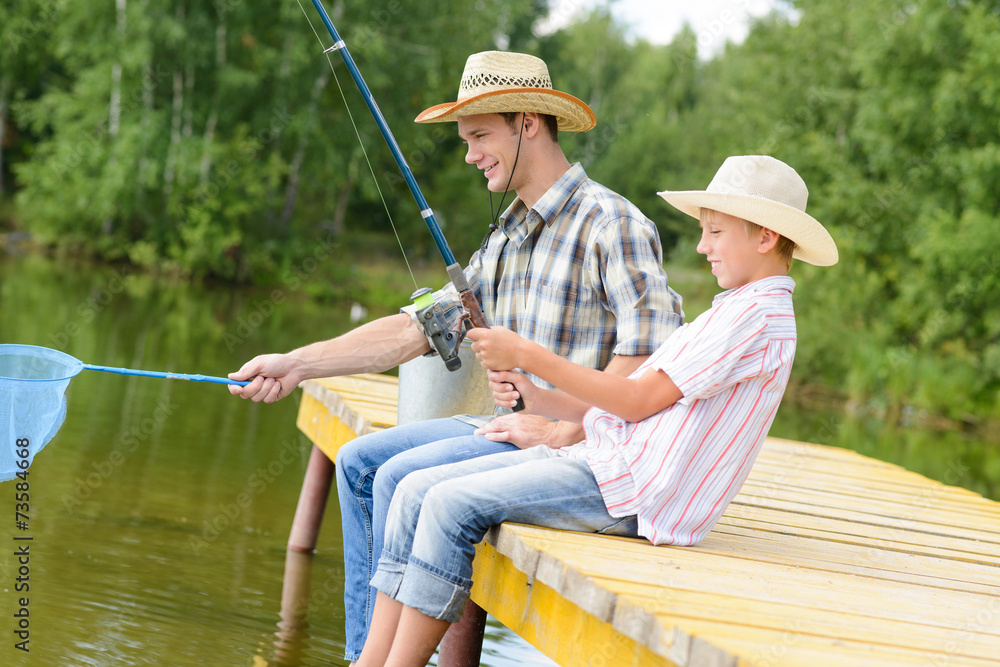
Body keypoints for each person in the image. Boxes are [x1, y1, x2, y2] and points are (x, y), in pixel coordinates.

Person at [227, 50, 684, 662]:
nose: (469, 154)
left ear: (527, 122)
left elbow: (651, 356)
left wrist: (564, 425)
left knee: (396, 477)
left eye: (478, 136)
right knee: (360, 461)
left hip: (578, 447)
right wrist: (298, 363)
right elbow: (419, 329)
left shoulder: (611, 223)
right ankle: (368, 653)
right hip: (509, 428)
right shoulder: (507, 234)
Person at [354, 155, 839, 666]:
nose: (701, 246)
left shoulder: (758, 318)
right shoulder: (737, 310)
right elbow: (631, 404)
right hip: (607, 464)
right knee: (411, 490)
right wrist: (541, 398)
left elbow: (637, 399)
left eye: (715, 232)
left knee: (448, 505)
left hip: (633, 492)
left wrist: (529, 355)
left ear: (764, 237)